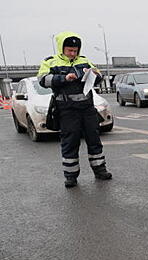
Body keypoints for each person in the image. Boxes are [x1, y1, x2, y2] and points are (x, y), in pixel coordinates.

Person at [38, 31, 112, 188]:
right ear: (62, 48)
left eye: (75, 50)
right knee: (70, 142)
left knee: (94, 140)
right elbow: (43, 80)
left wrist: (92, 73)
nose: (73, 53)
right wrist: (64, 78)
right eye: (70, 50)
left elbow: (98, 75)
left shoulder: (84, 61)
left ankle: (100, 170)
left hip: (87, 108)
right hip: (67, 110)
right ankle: (71, 176)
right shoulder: (51, 62)